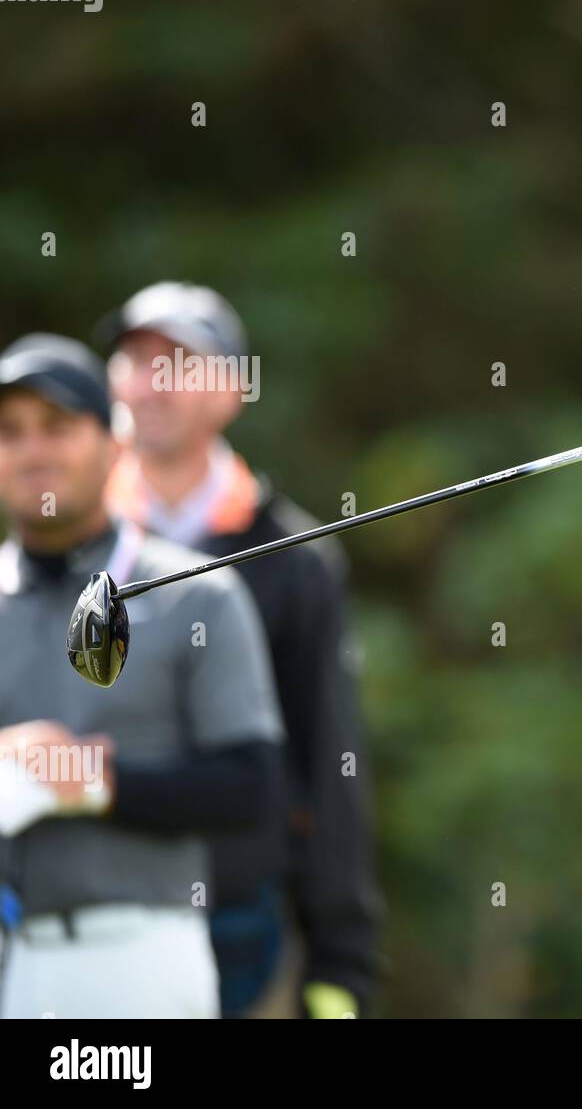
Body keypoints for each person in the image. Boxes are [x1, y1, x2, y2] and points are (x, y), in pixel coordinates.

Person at [98, 283, 383, 1019]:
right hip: (86, 927)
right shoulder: (66, 547)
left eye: (178, 363)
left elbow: (330, 762)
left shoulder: (296, 559)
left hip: (244, 934)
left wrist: (341, 960)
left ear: (230, 392)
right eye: (133, 360)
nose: (150, 383)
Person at [0, 333, 284, 1018]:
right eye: (10, 432)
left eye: (59, 427)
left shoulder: (197, 595)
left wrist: (95, 780)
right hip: (15, 962)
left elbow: (249, 788)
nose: (33, 449)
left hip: (142, 963)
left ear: (114, 444)